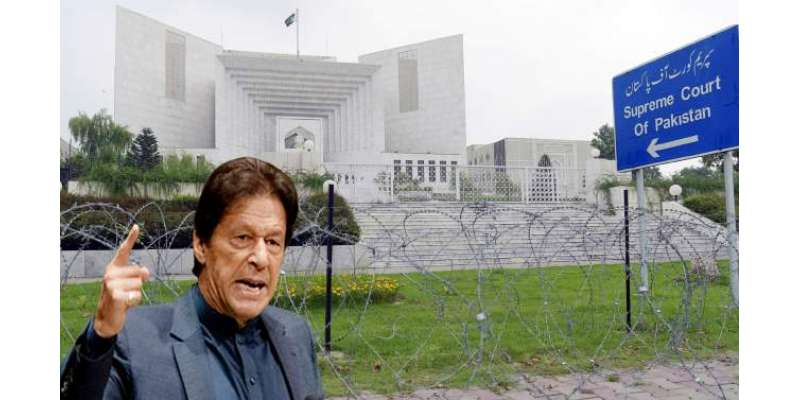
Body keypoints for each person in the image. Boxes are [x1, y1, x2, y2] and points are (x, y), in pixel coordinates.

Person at [60, 157, 323, 400]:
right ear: (201, 244)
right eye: (243, 238)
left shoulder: (295, 335)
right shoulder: (134, 342)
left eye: (273, 242)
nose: (261, 258)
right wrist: (101, 335)